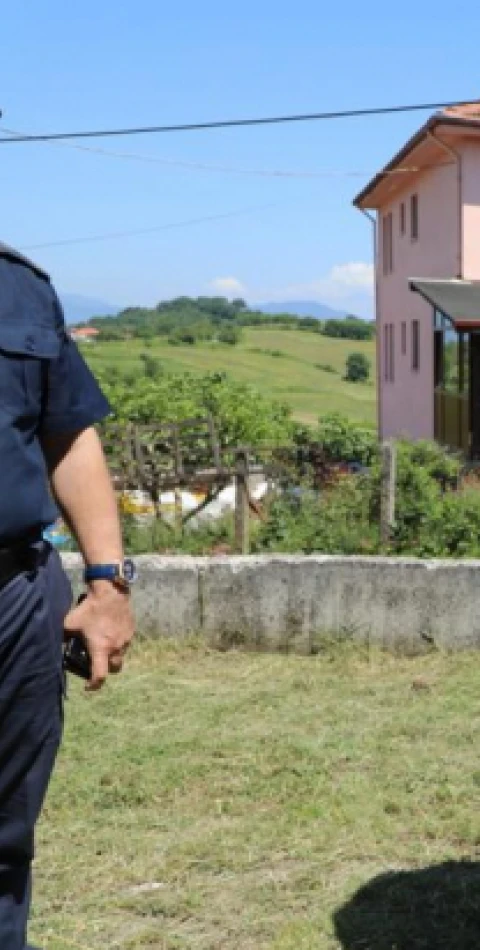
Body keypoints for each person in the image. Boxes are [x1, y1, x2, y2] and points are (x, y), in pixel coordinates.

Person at [0, 241, 135, 950]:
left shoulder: (20, 287)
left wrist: (109, 582)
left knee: (5, 844)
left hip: (16, 602)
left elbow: (67, 434)